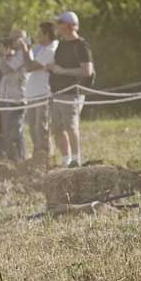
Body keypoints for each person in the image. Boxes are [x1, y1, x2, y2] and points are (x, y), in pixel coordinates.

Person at [47, 11, 95, 168]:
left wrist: (62, 71)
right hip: (57, 92)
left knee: (70, 126)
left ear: (68, 26)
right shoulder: (61, 44)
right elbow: (58, 65)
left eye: (59, 23)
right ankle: (66, 158)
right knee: (56, 127)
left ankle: (76, 158)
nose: (57, 27)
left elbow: (87, 70)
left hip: (72, 93)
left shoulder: (81, 45)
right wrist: (52, 68)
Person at [21, 21, 58, 161]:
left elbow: (29, 67)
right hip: (33, 94)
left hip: (43, 93)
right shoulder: (42, 49)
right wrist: (29, 49)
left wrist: (25, 48)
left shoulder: (51, 50)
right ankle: (38, 156)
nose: (36, 36)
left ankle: (46, 158)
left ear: (47, 34)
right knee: (33, 128)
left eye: (39, 33)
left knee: (41, 129)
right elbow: (31, 64)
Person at [0, 29, 29, 161]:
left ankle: (21, 159)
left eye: (15, 38)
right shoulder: (12, 54)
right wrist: (6, 53)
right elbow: (0, 68)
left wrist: (7, 55)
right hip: (6, 97)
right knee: (7, 132)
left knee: (16, 131)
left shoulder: (23, 54)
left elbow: (6, 68)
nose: (13, 41)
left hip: (18, 98)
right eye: (11, 38)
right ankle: (12, 158)